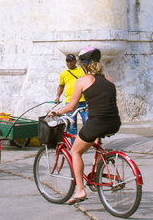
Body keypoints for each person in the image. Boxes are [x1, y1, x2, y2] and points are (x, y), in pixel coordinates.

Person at [49, 46, 120, 205]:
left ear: (84, 65)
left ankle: (80, 190)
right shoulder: (109, 79)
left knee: (75, 151)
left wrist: (57, 112)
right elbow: (105, 99)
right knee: (96, 143)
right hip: (114, 123)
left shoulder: (83, 81)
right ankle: (98, 170)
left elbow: (70, 107)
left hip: (98, 123)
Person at [55, 53, 87, 139]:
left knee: (87, 123)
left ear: (75, 61)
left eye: (71, 61)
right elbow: (61, 86)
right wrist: (58, 96)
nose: (69, 63)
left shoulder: (82, 70)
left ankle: (85, 143)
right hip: (70, 102)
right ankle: (73, 146)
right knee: (72, 126)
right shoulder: (64, 73)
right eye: (67, 61)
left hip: (82, 101)